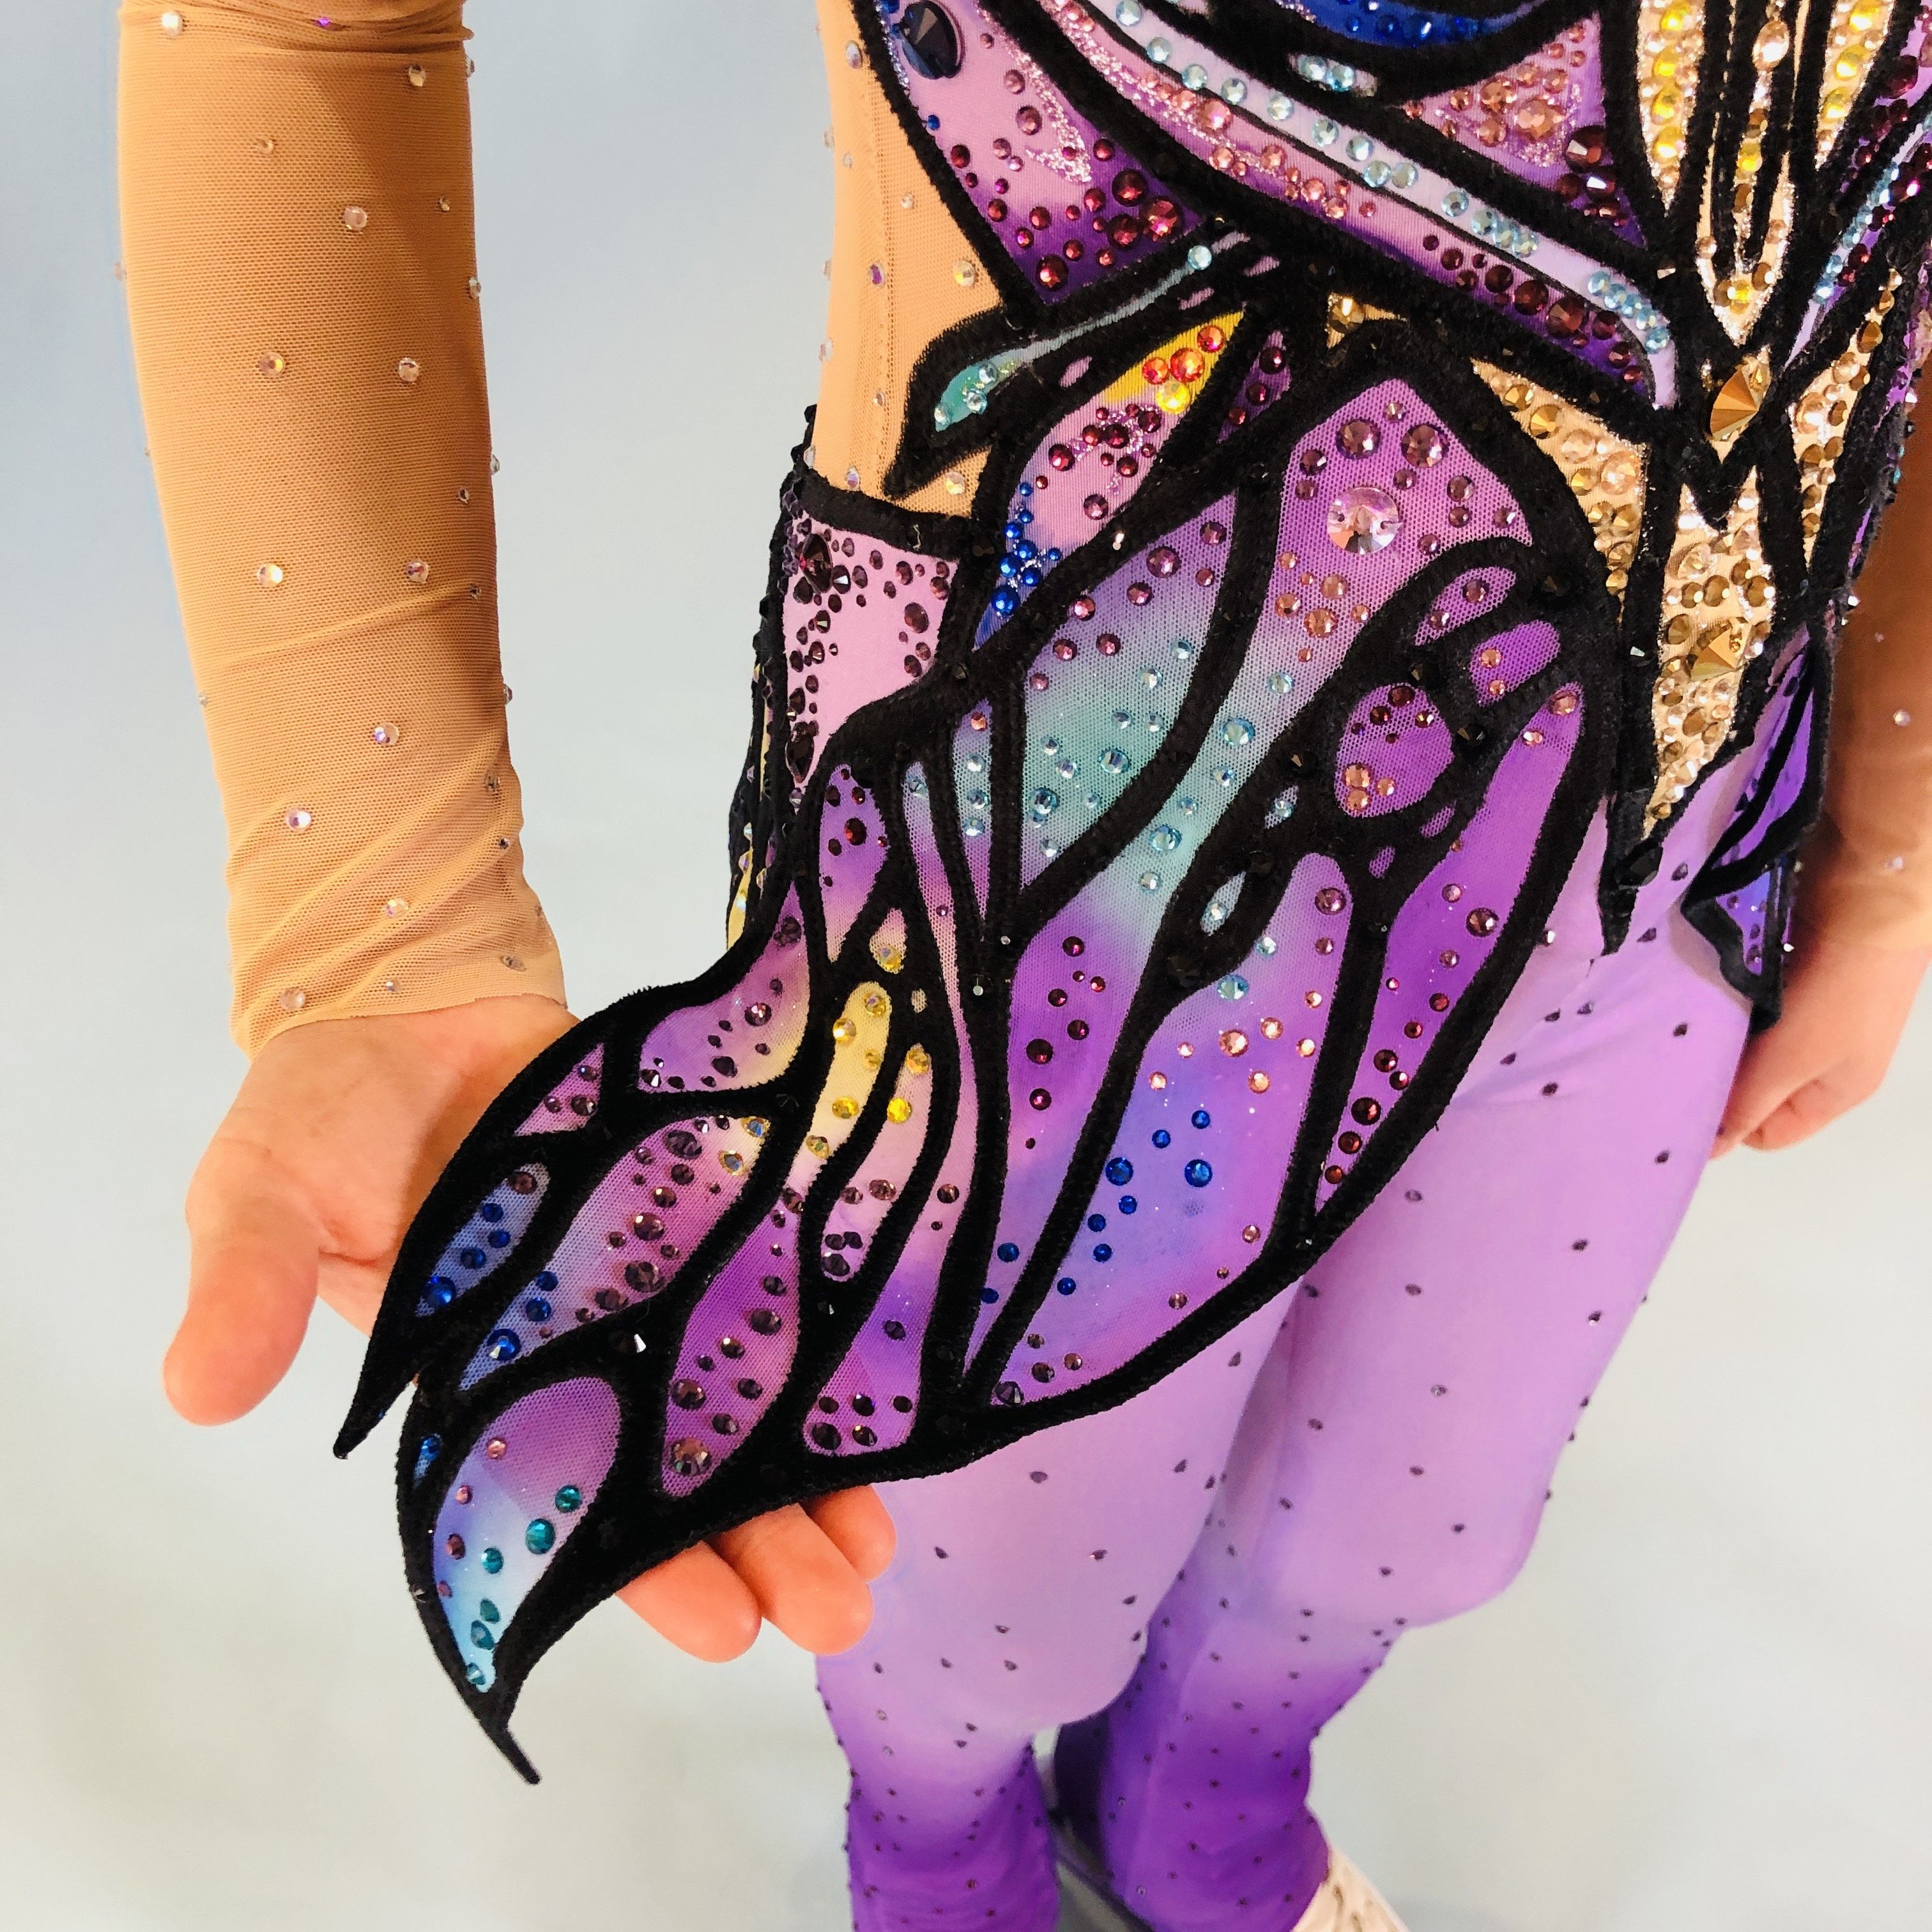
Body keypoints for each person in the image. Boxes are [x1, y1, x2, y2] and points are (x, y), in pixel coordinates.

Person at [118, 3, 1932, 1927]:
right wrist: (375, 914)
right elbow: (300, 27)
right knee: (987, 1590)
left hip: (1674, 836)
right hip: (1040, 842)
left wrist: (1892, 826)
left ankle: (1207, 1807)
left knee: (1418, 1515)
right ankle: (934, 1846)